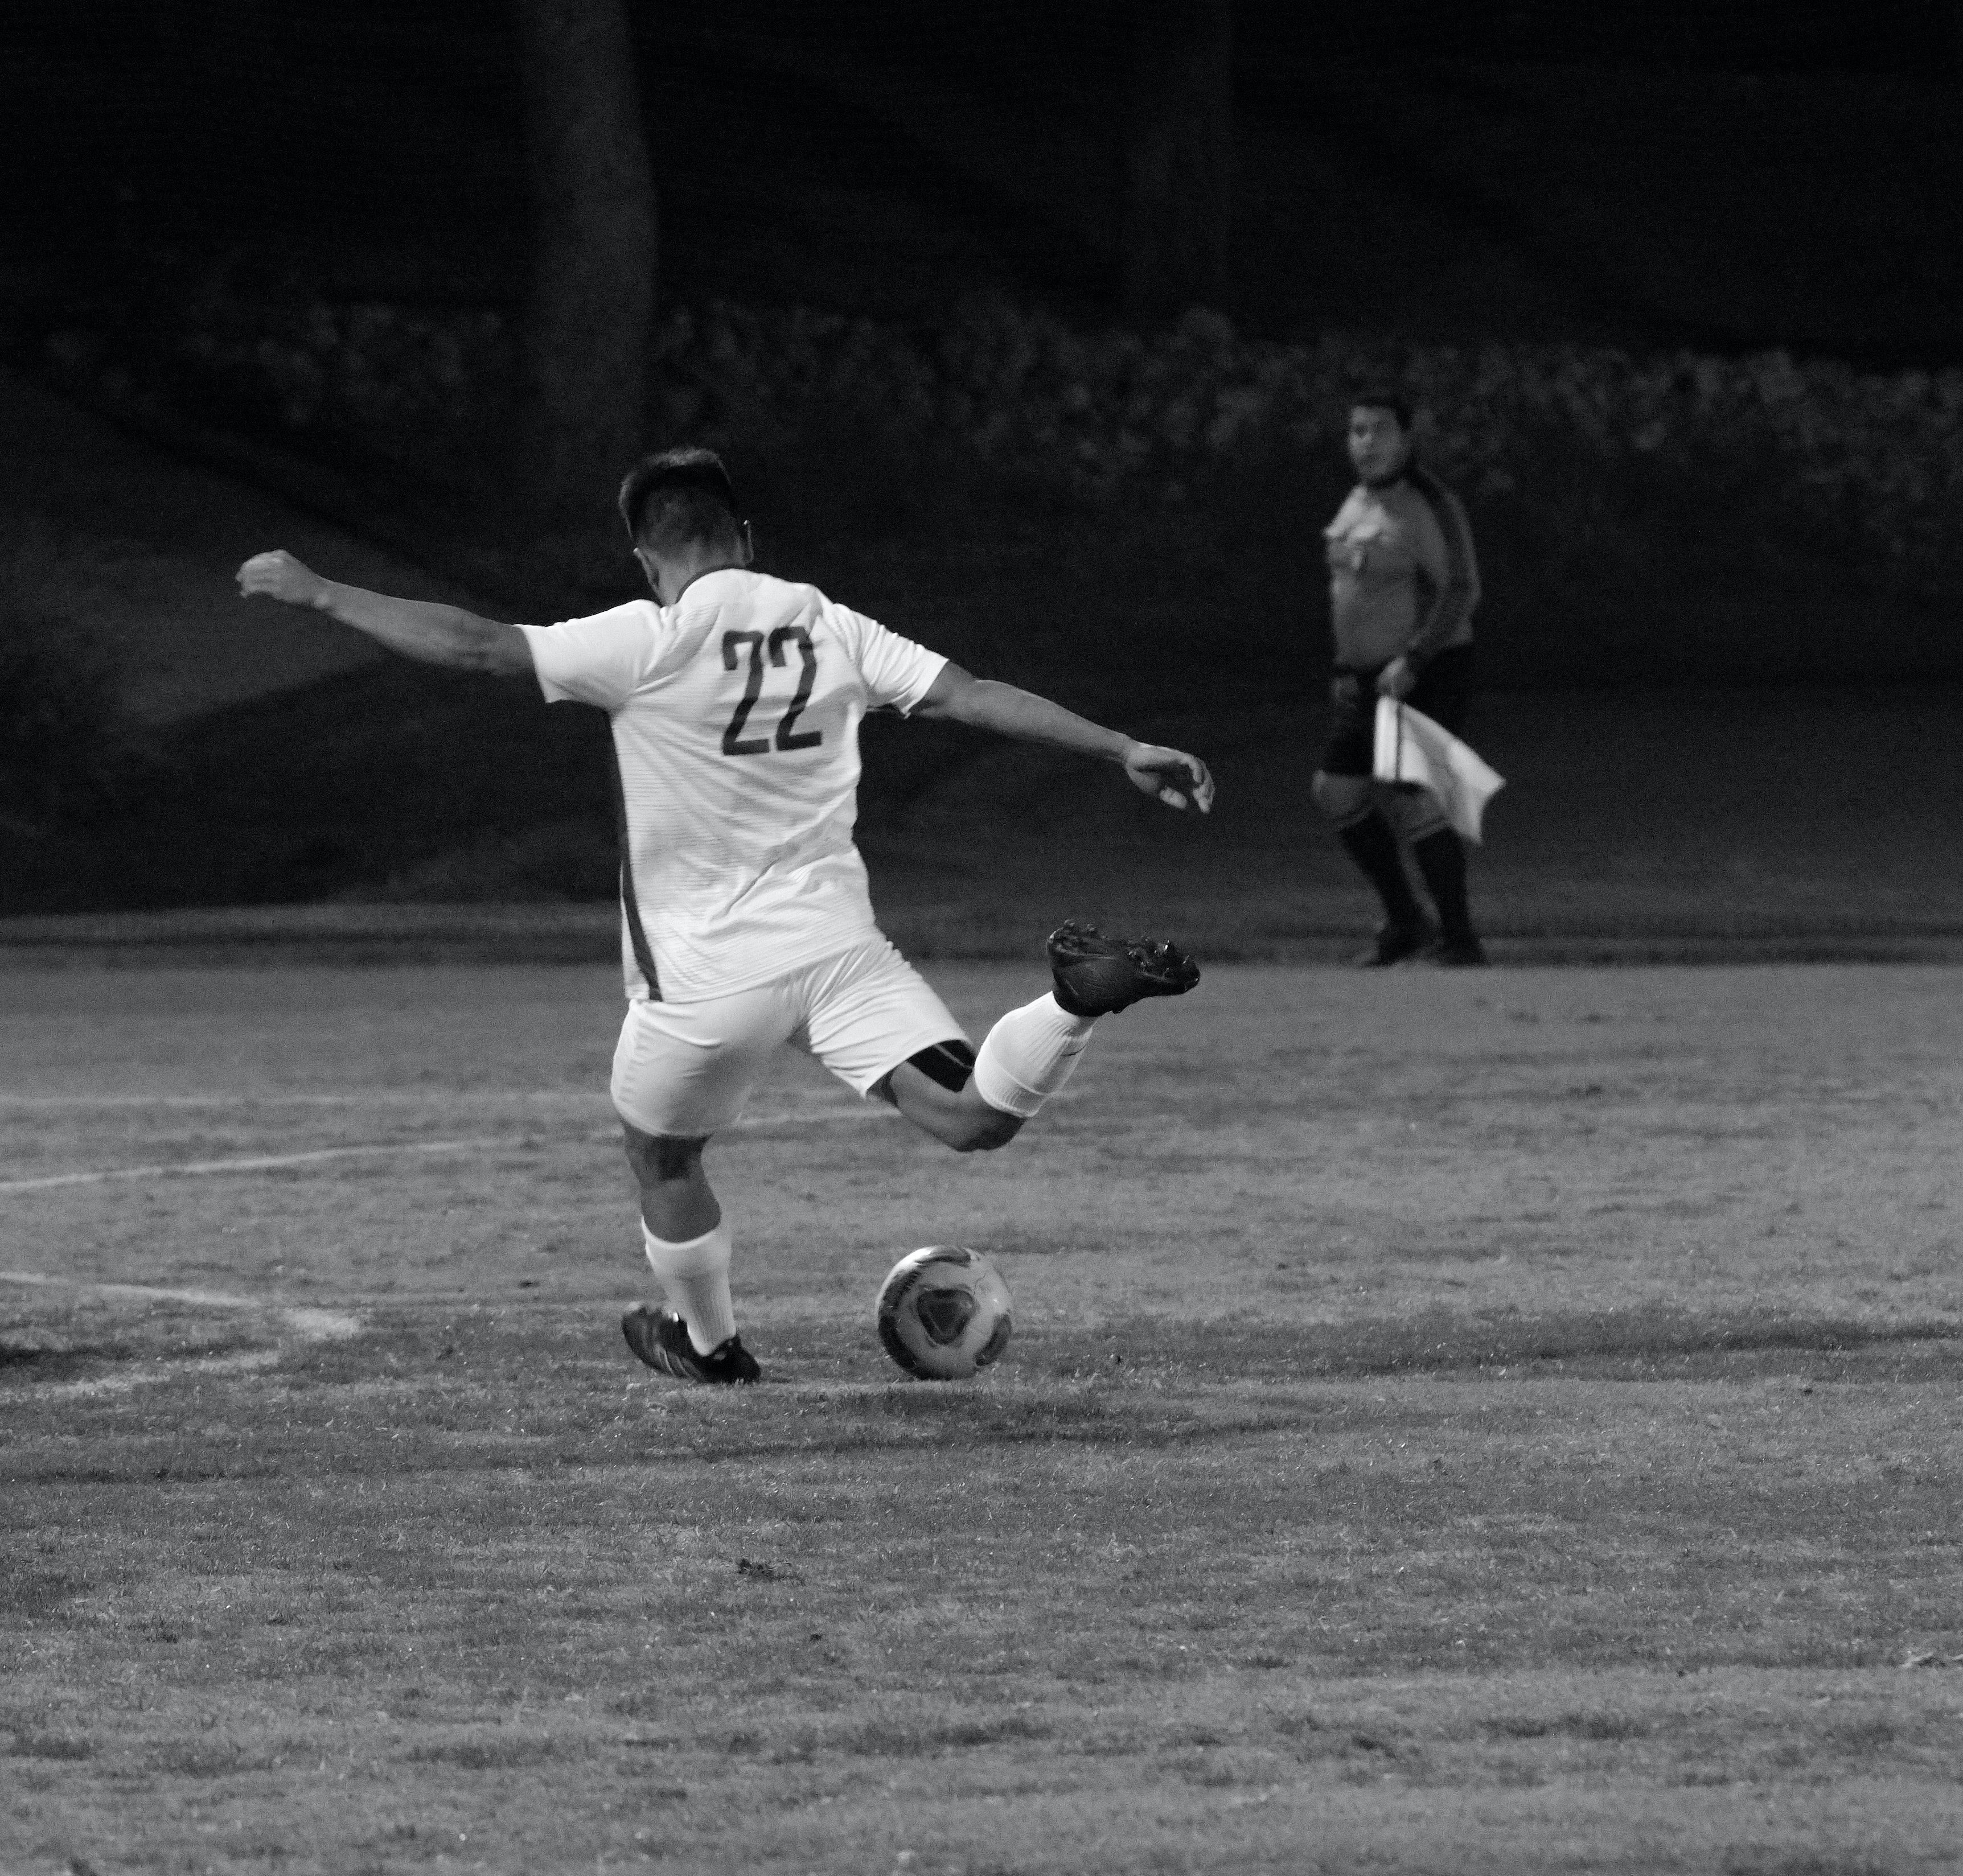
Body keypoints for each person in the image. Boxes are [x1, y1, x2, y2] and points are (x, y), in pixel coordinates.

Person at [236, 448, 1213, 1383]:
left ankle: (711, 1347)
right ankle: (1071, 1003)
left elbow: (479, 647)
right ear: (743, 534)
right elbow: (969, 695)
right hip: (837, 951)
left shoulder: (649, 638)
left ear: (646, 557)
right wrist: (1119, 745)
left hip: (706, 982)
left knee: (660, 1152)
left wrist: (324, 592)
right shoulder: (830, 623)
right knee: (971, 1120)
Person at [1315, 393, 1486, 966]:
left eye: (1379, 430)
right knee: (1335, 790)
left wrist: (1413, 658)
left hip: (1426, 671)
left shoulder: (1428, 502)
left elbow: (1460, 588)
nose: (1365, 441)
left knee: (1414, 796)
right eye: (1356, 430)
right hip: (1367, 679)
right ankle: (1407, 922)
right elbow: (1353, 593)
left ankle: (1458, 939)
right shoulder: (1355, 502)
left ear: (1407, 438)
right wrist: (1346, 664)